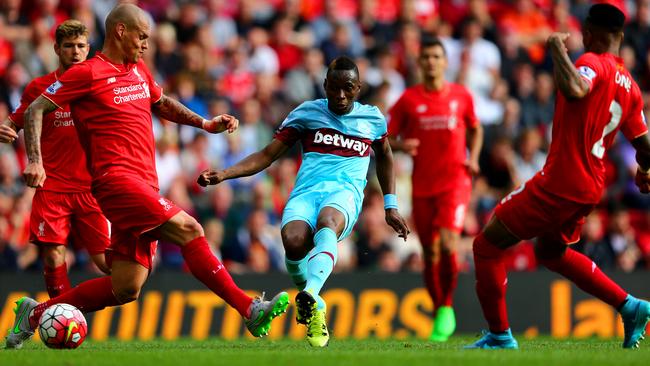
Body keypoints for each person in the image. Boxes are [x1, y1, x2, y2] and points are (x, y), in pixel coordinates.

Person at [6, 4, 288, 350]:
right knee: (190, 229)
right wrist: (36, 161)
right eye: (142, 36)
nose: (145, 44)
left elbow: (162, 102)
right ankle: (249, 309)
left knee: (127, 286)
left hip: (143, 182)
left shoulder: (137, 70)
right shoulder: (87, 73)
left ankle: (35, 315)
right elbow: (36, 109)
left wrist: (204, 123)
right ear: (120, 31)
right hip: (116, 181)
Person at [466, 3, 650, 349]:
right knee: (552, 253)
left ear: (588, 32)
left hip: (563, 180)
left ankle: (499, 336)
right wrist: (645, 169)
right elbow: (645, 145)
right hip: (591, 186)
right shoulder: (632, 88)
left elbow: (577, 89)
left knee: (486, 246)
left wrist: (556, 51)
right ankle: (630, 306)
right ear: (622, 37)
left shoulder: (589, 63)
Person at [198, 56, 410, 347]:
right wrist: (225, 173)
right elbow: (267, 154)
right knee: (293, 240)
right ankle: (315, 307)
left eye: (347, 88)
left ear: (358, 88)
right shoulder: (306, 114)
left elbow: (385, 154)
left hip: (344, 195)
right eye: (333, 88)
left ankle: (309, 292)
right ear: (324, 85)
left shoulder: (372, 118)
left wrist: (390, 205)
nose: (340, 95)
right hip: (306, 194)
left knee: (328, 222)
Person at [0, 20, 111, 298]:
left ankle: (46, 313)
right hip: (53, 187)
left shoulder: (98, 87)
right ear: (57, 49)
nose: (75, 52)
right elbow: (15, 121)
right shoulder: (40, 87)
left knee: (107, 264)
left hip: (91, 188)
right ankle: (61, 316)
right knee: (53, 255)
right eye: (69, 46)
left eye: (81, 46)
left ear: (89, 50)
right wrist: (6, 129)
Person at [388, 38, 483, 342]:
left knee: (447, 243)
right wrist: (402, 145)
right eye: (426, 57)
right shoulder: (408, 100)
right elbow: (384, 138)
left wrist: (475, 158)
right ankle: (440, 307)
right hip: (423, 186)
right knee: (429, 254)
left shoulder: (461, 96)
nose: (431, 61)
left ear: (445, 62)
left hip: (455, 182)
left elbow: (476, 127)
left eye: (436, 56)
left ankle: (447, 307)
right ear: (420, 63)